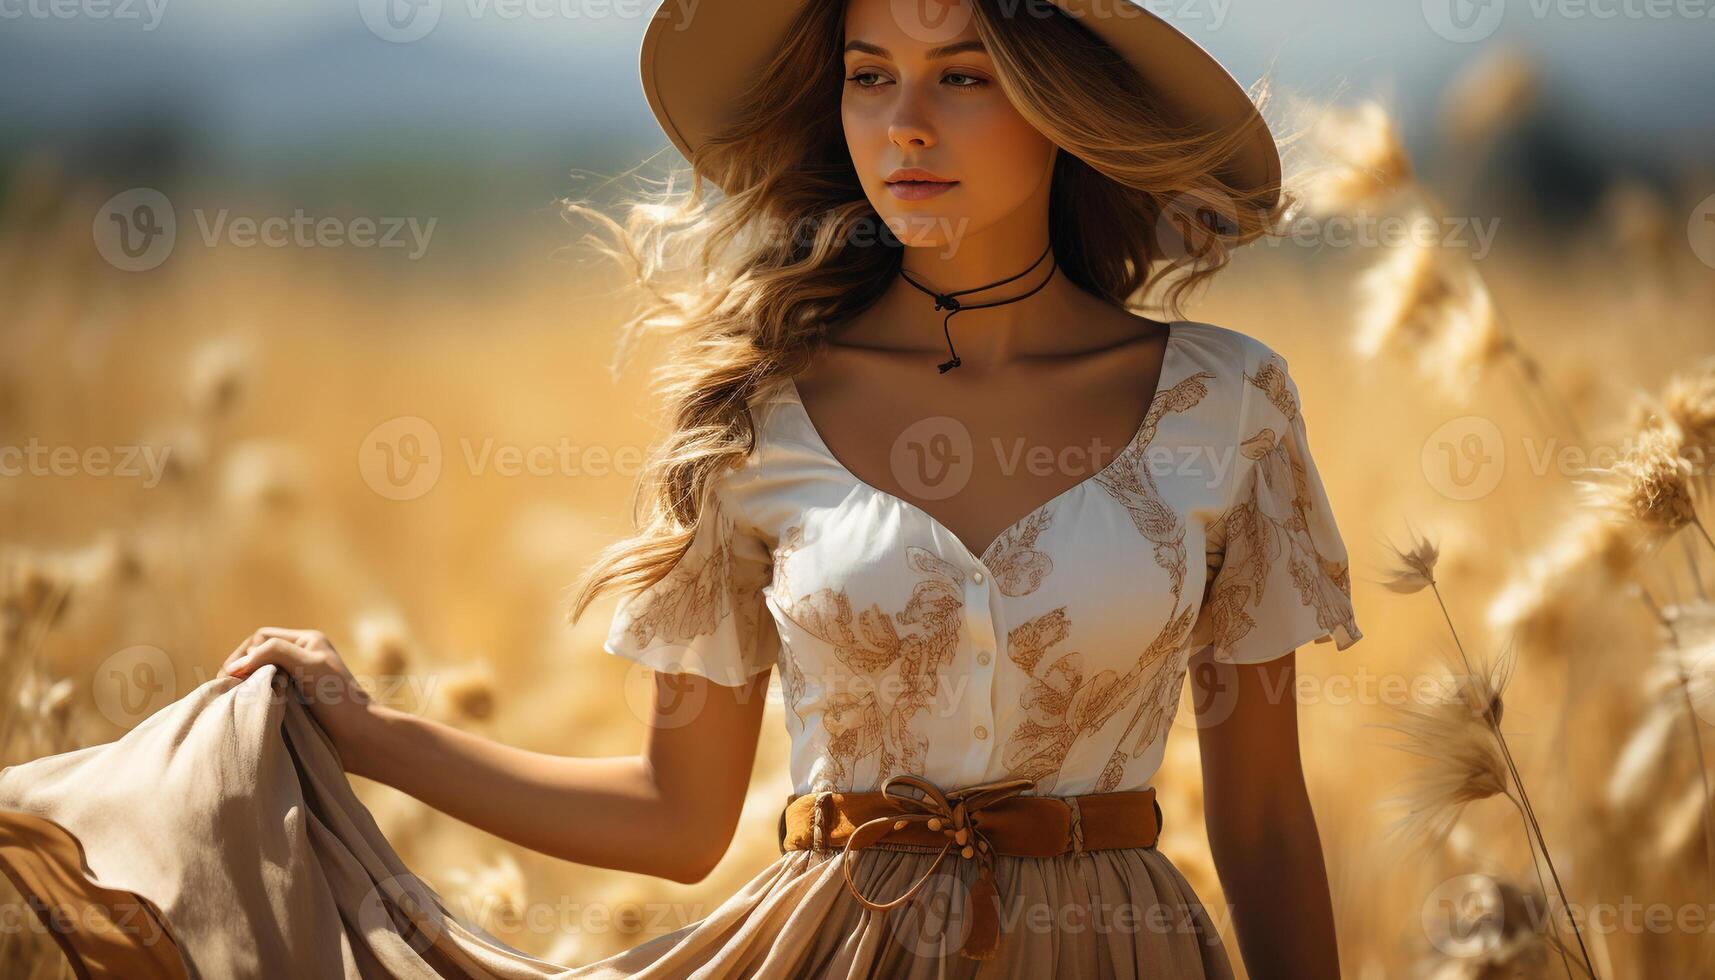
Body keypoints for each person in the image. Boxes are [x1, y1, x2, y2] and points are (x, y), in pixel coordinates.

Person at [0, 0, 1362, 976]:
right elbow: (675, 817)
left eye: (964, 76)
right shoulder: (758, 412)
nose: (905, 125)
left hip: (1118, 953)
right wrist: (363, 731)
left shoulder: (1226, 404)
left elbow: (1259, 816)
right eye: (869, 74)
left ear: (1063, 102)